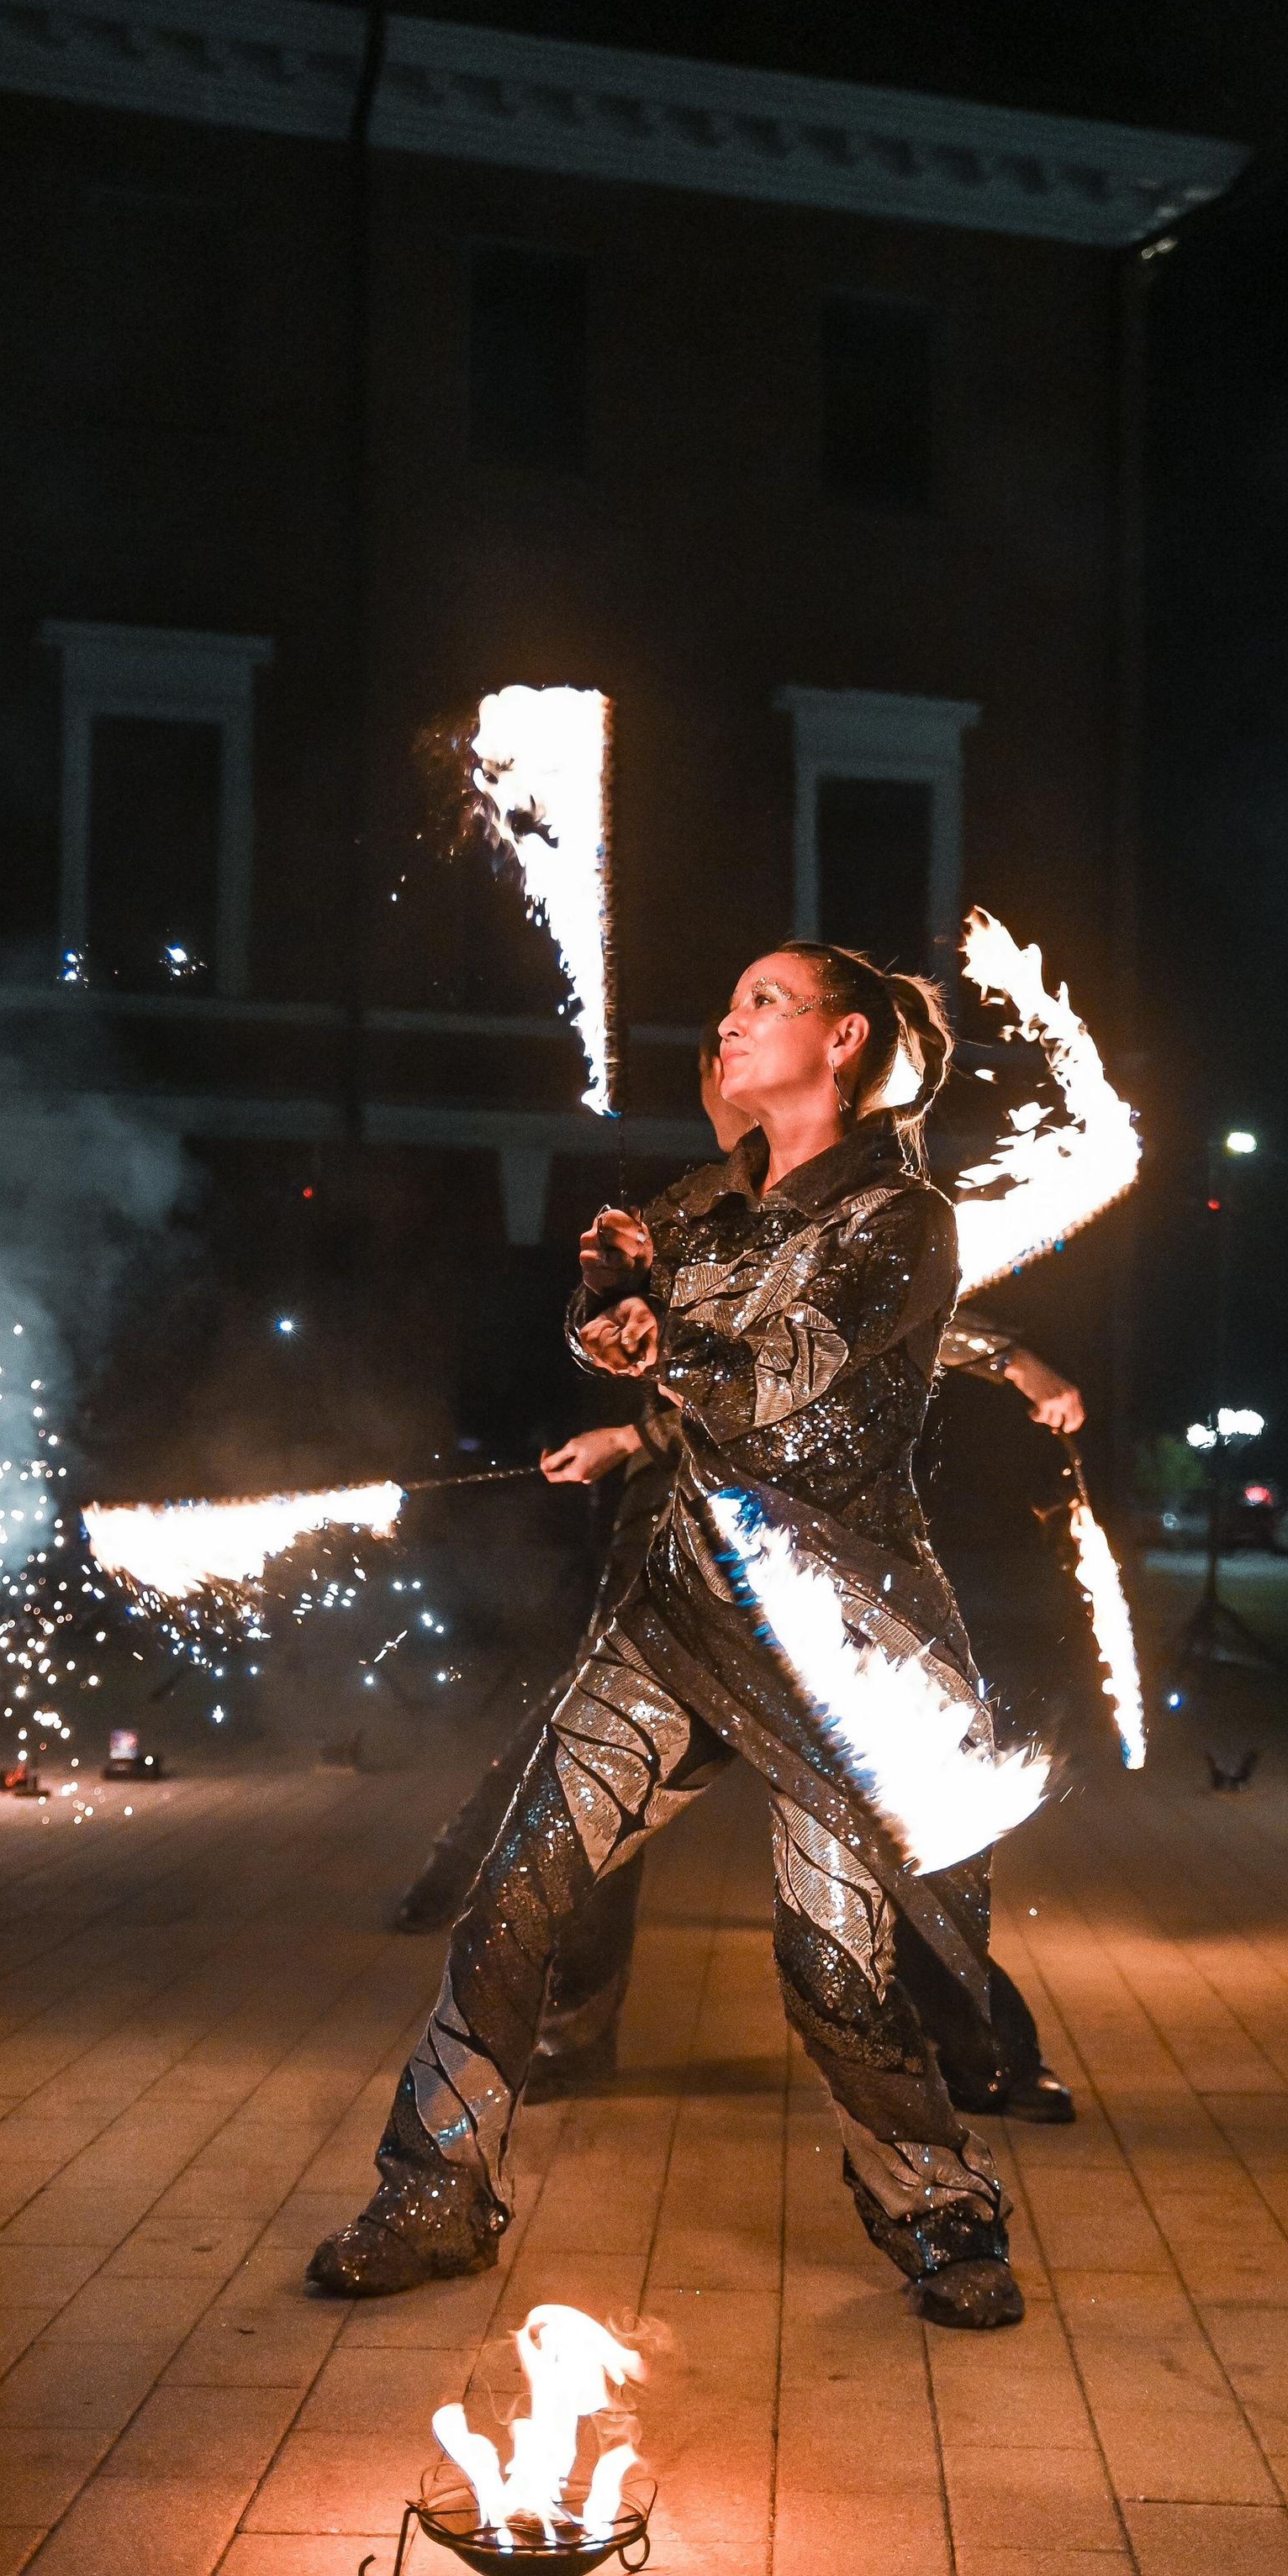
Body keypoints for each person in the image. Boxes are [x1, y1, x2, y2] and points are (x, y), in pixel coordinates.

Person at [310, 943, 1045, 2328]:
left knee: (833, 1970)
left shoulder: (903, 1217)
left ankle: (938, 2208)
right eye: (731, 1001)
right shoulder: (696, 1202)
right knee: (517, 1892)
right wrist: (606, 1297)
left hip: (839, 1648)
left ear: (846, 1041)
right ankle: (431, 2193)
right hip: (674, 1613)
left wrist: (657, 1347)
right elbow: (623, 1339)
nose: (731, 1018)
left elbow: (794, 1392)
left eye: (767, 1000)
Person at [393, 1033, 1087, 2127]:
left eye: (754, 1053)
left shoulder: (859, 1205)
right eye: (720, 1076)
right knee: (597, 1796)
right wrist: (618, 1362)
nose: (733, 1087)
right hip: (670, 1550)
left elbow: (852, 1336)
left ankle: (974, 2050)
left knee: (899, 1802)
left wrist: (1006, 1357)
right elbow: (645, 1348)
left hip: (822, 1564)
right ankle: (572, 2034)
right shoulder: (686, 1212)